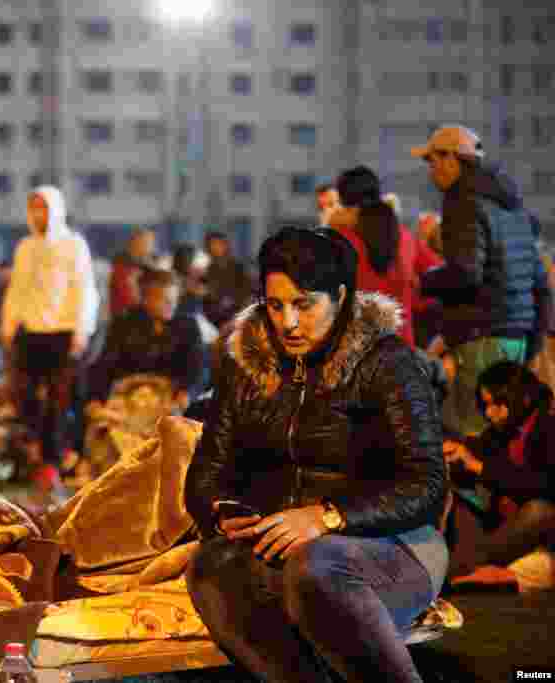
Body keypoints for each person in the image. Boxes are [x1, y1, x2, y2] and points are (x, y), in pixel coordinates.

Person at [185, 226, 448, 683]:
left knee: (316, 568)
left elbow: (426, 485)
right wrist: (221, 510)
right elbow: (206, 470)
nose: (288, 322)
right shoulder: (245, 365)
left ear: (340, 298)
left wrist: (327, 517)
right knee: (212, 566)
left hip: (392, 547)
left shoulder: (387, 363)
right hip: (278, 548)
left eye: (304, 304)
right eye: (275, 305)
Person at [413, 124, 553, 435]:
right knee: (501, 437)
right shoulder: (511, 204)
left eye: (432, 161)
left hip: (481, 336)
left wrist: (425, 282)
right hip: (516, 339)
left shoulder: (462, 200)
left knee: (469, 433)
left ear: (452, 159)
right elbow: (540, 282)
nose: (431, 171)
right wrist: (533, 341)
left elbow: (466, 273)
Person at [0, 185, 99, 482]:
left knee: (60, 400)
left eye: (43, 207)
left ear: (55, 209)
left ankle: (53, 461)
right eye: (33, 208)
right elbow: (17, 289)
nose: (38, 214)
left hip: (64, 333)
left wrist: (81, 330)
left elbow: (84, 289)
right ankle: (34, 455)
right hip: (31, 333)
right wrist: (7, 325)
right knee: (25, 397)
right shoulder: (25, 247)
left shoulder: (74, 245)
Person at [443, 362, 555, 592]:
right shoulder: (499, 433)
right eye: (486, 405)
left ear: (522, 399)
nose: (489, 412)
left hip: (536, 533)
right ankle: (464, 567)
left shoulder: (548, 429)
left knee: (539, 511)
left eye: (497, 404)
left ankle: (464, 569)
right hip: (499, 532)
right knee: (456, 499)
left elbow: (543, 486)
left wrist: (479, 467)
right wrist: (451, 456)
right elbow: (474, 453)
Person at [330, 166, 444, 346]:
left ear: (345, 205)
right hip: (401, 346)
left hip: (357, 348)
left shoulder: (340, 240)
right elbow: (440, 279)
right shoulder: (405, 236)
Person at [88, 267, 205, 406]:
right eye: (164, 299)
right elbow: (105, 365)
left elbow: (198, 368)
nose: (171, 304)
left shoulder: (188, 325)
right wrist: (96, 398)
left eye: (174, 299)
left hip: (171, 400)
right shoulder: (124, 323)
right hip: (130, 398)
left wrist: (187, 392)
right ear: (145, 299)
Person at [202, 231, 255, 330]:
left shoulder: (238, 268)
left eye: (217, 244)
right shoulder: (208, 271)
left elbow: (248, 294)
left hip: (237, 318)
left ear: (225, 245)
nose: (214, 248)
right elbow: (207, 297)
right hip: (214, 322)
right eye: (211, 245)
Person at [108, 227, 156, 318]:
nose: (151, 248)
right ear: (134, 244)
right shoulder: (123, 268)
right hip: (128, 320)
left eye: (152, 243)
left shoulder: (145, 267)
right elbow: (132, 301)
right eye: (147, 243)